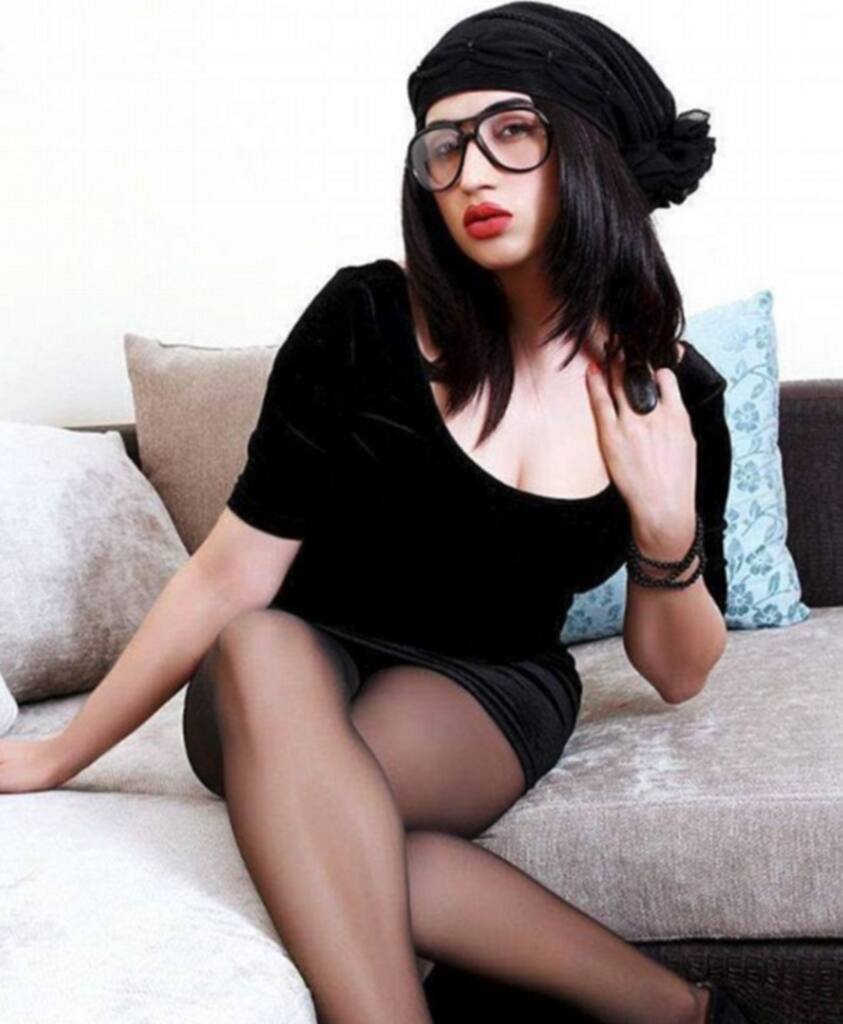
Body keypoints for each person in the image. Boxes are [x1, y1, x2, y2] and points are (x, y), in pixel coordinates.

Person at [0, 4, 745, 1024]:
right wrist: (58, 753)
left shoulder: (674, 395)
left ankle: (678, 1012)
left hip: (485, 690)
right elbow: (231, 572)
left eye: (512, 132)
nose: (471, 173)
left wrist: (665, 534)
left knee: (322, 828)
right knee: (261, 650)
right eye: (444, 146)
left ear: (593, 149)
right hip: (281, 677)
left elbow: (678, 669)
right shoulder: (364, 319)